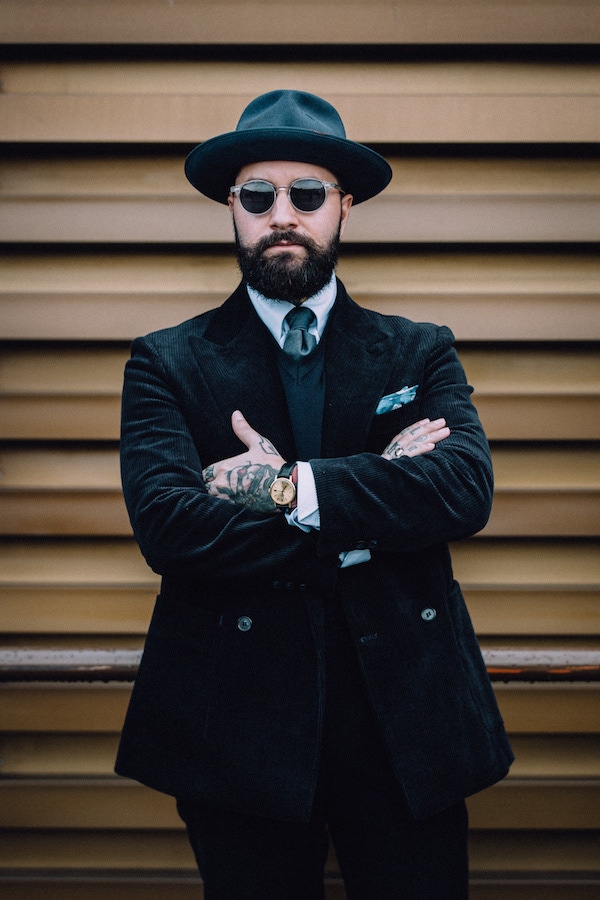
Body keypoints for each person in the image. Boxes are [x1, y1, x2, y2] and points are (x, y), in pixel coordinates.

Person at [115, 90, 513, 899]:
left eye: (307, 194)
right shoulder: (165, 361)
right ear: (233, 209)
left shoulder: (418, 351)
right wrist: (382, 486)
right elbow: (171, 526)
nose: (282, 215)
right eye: (258, 197)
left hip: (406, 718)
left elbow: (463, 491)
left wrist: (286, 487)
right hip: (236, 722)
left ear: (344, 207)